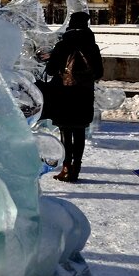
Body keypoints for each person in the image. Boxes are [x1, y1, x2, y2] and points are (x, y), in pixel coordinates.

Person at [43, 11, 103, 183]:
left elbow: (51, 70)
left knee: (65, 131)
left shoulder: (63, 45)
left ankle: (66, 167)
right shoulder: (92, 46)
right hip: (84, 95)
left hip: (64, 94)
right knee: (79, 131)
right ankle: (76, 168)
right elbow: (99, 72)